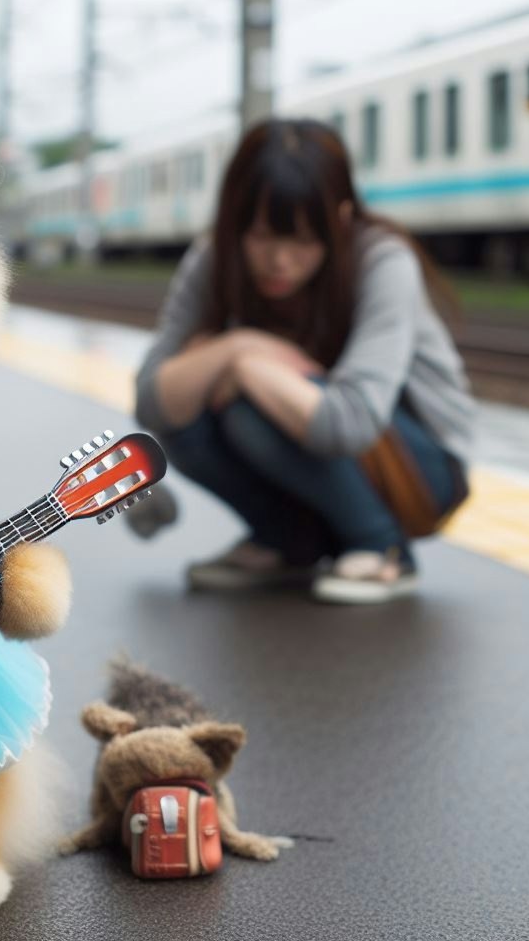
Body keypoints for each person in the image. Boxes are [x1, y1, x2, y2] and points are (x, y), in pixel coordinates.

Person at [132, 119, 473, 604]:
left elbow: (349, 422)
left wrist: (247, 370)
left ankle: (382, 546)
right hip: (325, 443)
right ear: (235, 220)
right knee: (186, 412)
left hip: (421, 471)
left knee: (249, 404)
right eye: (263, 237)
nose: (280, 261)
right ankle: (286, 543)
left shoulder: (382, 261)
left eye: (305, 241)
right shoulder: (215, 258)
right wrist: (237, 348)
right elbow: (152, 402)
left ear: (341, 217)